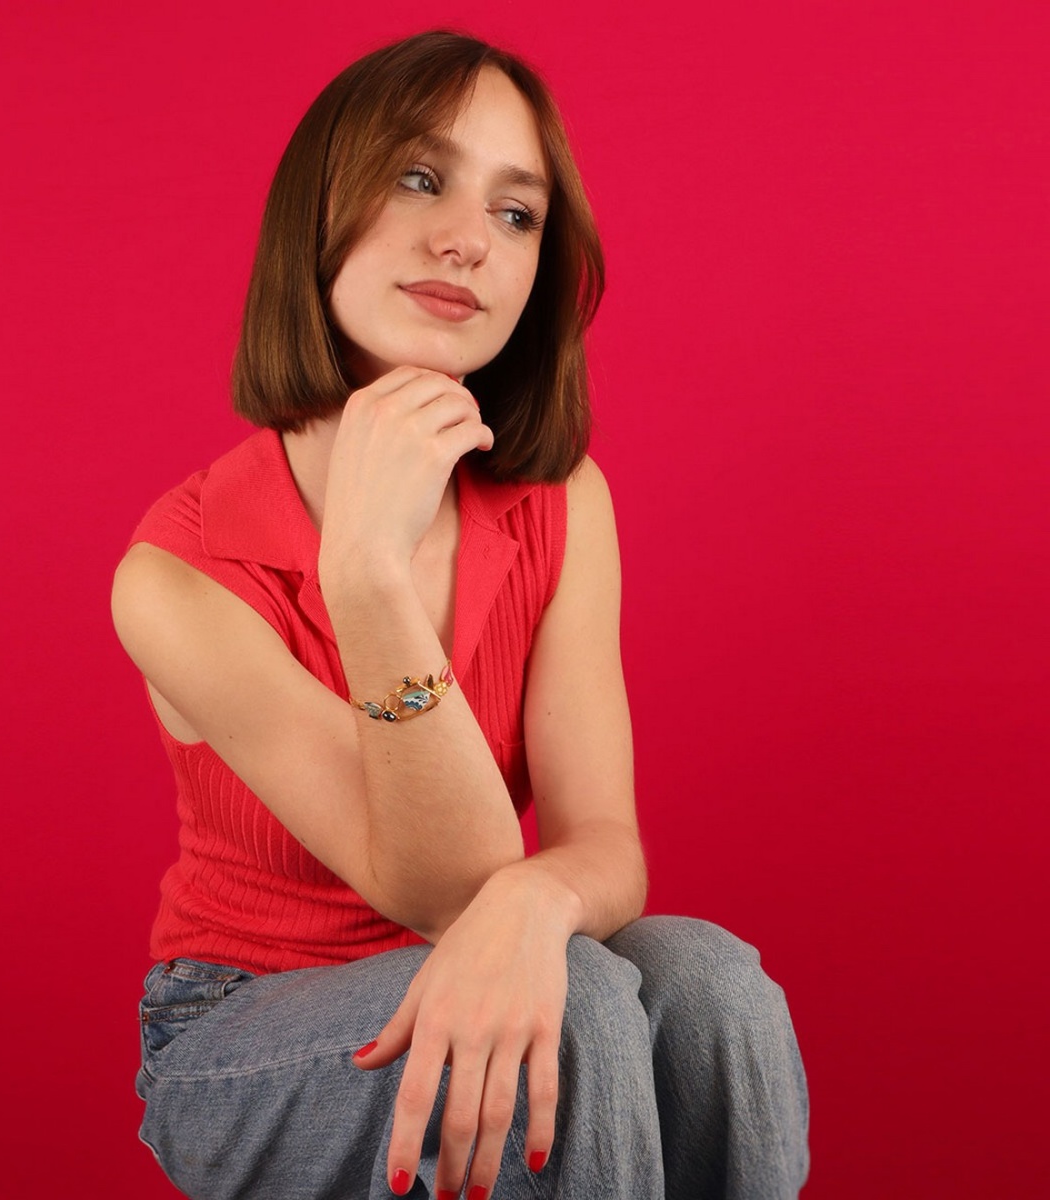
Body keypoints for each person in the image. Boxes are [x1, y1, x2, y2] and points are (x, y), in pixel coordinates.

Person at [111, 29, 809, 1200]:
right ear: (318, 210)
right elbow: (444, 891)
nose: (467, 240)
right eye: (420, 177)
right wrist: (369, 578)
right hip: (241, 1027)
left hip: (483, 950)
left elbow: (604, 848)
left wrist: (541, 895)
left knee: (711, 983)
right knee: (579, 1006)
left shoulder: (561, 504)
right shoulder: (177, 577)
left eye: (516, 213)